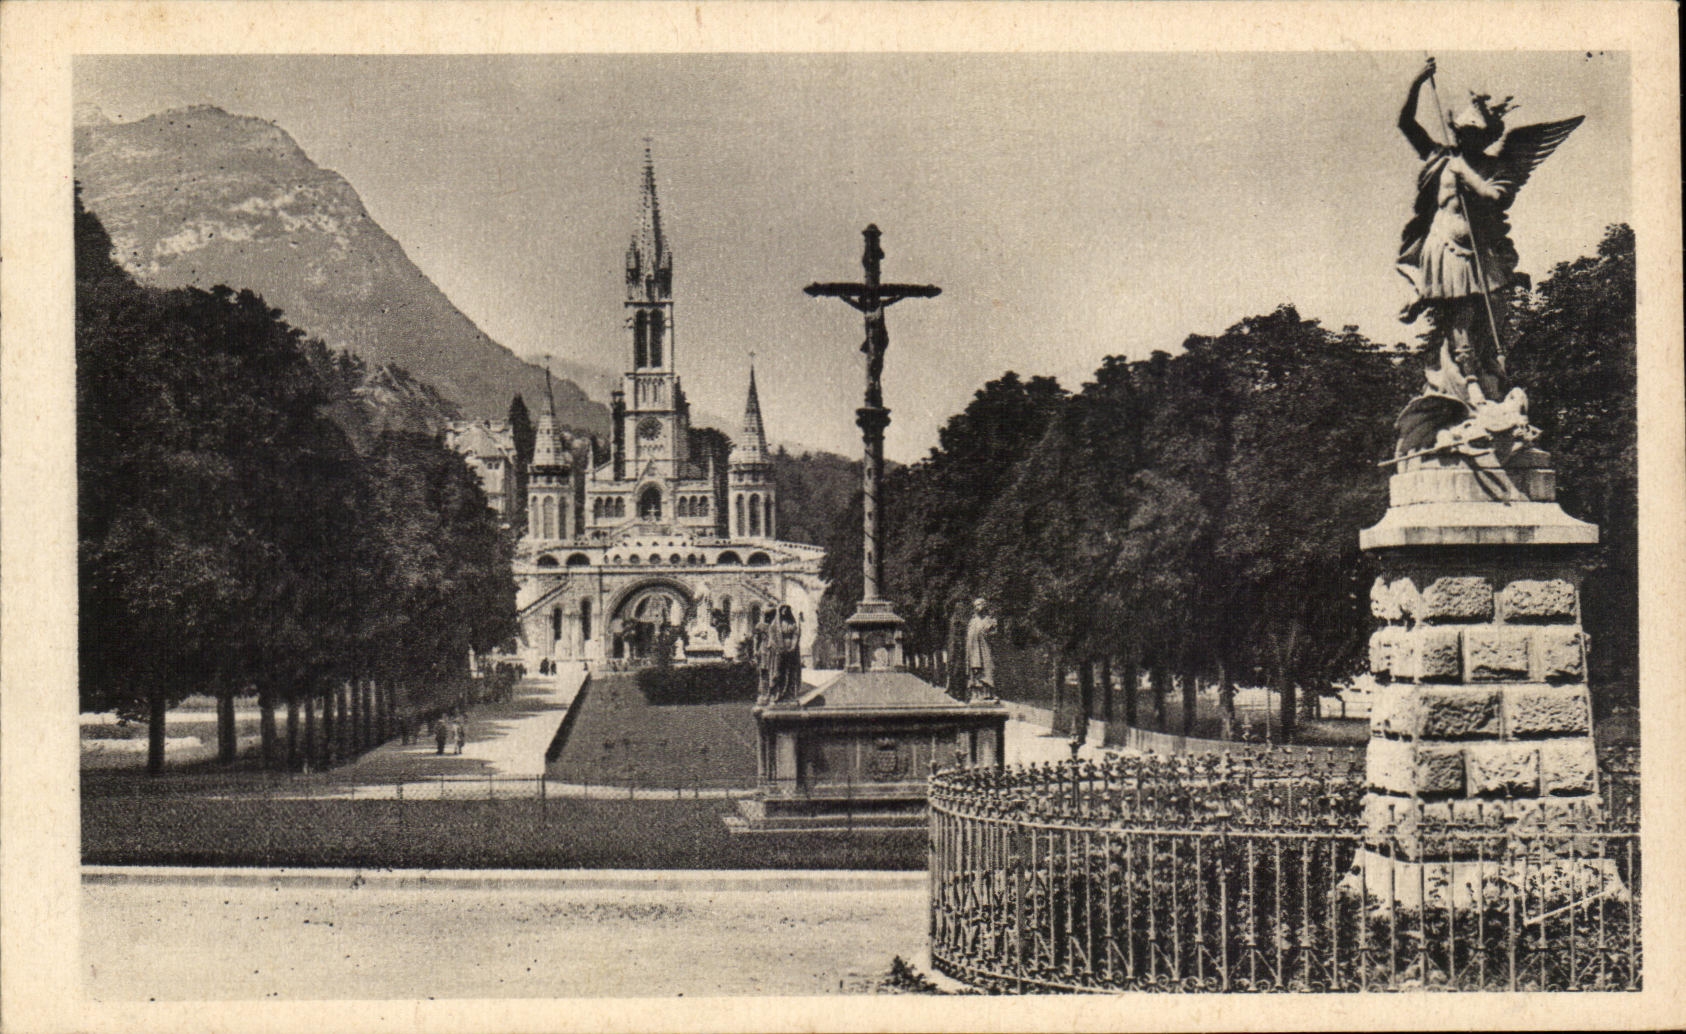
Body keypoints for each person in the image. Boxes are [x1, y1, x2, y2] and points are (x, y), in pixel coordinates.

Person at [1394, 57, 1583, 452]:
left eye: (1475, 136)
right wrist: (1417, 82)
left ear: (1486, 139)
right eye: (1463, 133)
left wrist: (1469, 173)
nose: (1466, 140)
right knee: (1459, 326)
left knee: (1493, 324)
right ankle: (1473, 396)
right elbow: (1406, 124)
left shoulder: (1492, 166)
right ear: (1458, 132)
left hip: (1481, 254)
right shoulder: (1441, 157)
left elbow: (1498, 196)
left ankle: (1493, 391)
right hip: (1444, 253)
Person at [965, 598, 998, 702]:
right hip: (974, 652)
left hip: (985, 650)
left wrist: (990, 632)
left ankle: (988, 694)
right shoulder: (972, 621)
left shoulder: (990, 620)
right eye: (975, 605)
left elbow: (994, 635)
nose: (977, 607)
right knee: (975, 673)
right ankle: (976, 694)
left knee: (987, 670)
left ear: (984, 605)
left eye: (979, 604)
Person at [774, 605, 803, 702]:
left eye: (786, 610)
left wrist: (793, 646)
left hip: (791, 648)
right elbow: (773, 634)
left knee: (791, 671)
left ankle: (790, 692)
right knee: (780, 671)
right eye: (783, 610)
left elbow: (796, 634)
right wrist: (779, 646)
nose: (784, 611)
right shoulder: (777, 623)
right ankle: (779, 692)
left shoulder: (792, 622)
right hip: (781, 648)